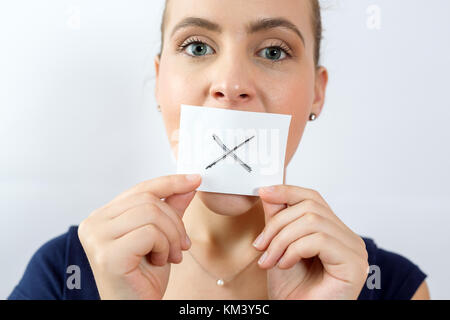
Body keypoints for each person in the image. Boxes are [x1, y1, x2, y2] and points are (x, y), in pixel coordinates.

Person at [8, 0, 429, 300]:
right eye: (197, 47)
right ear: (159, 81)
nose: (230, 83)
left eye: (273, 50)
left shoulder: (387, 286)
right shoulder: (65, 273)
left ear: (317, 94)